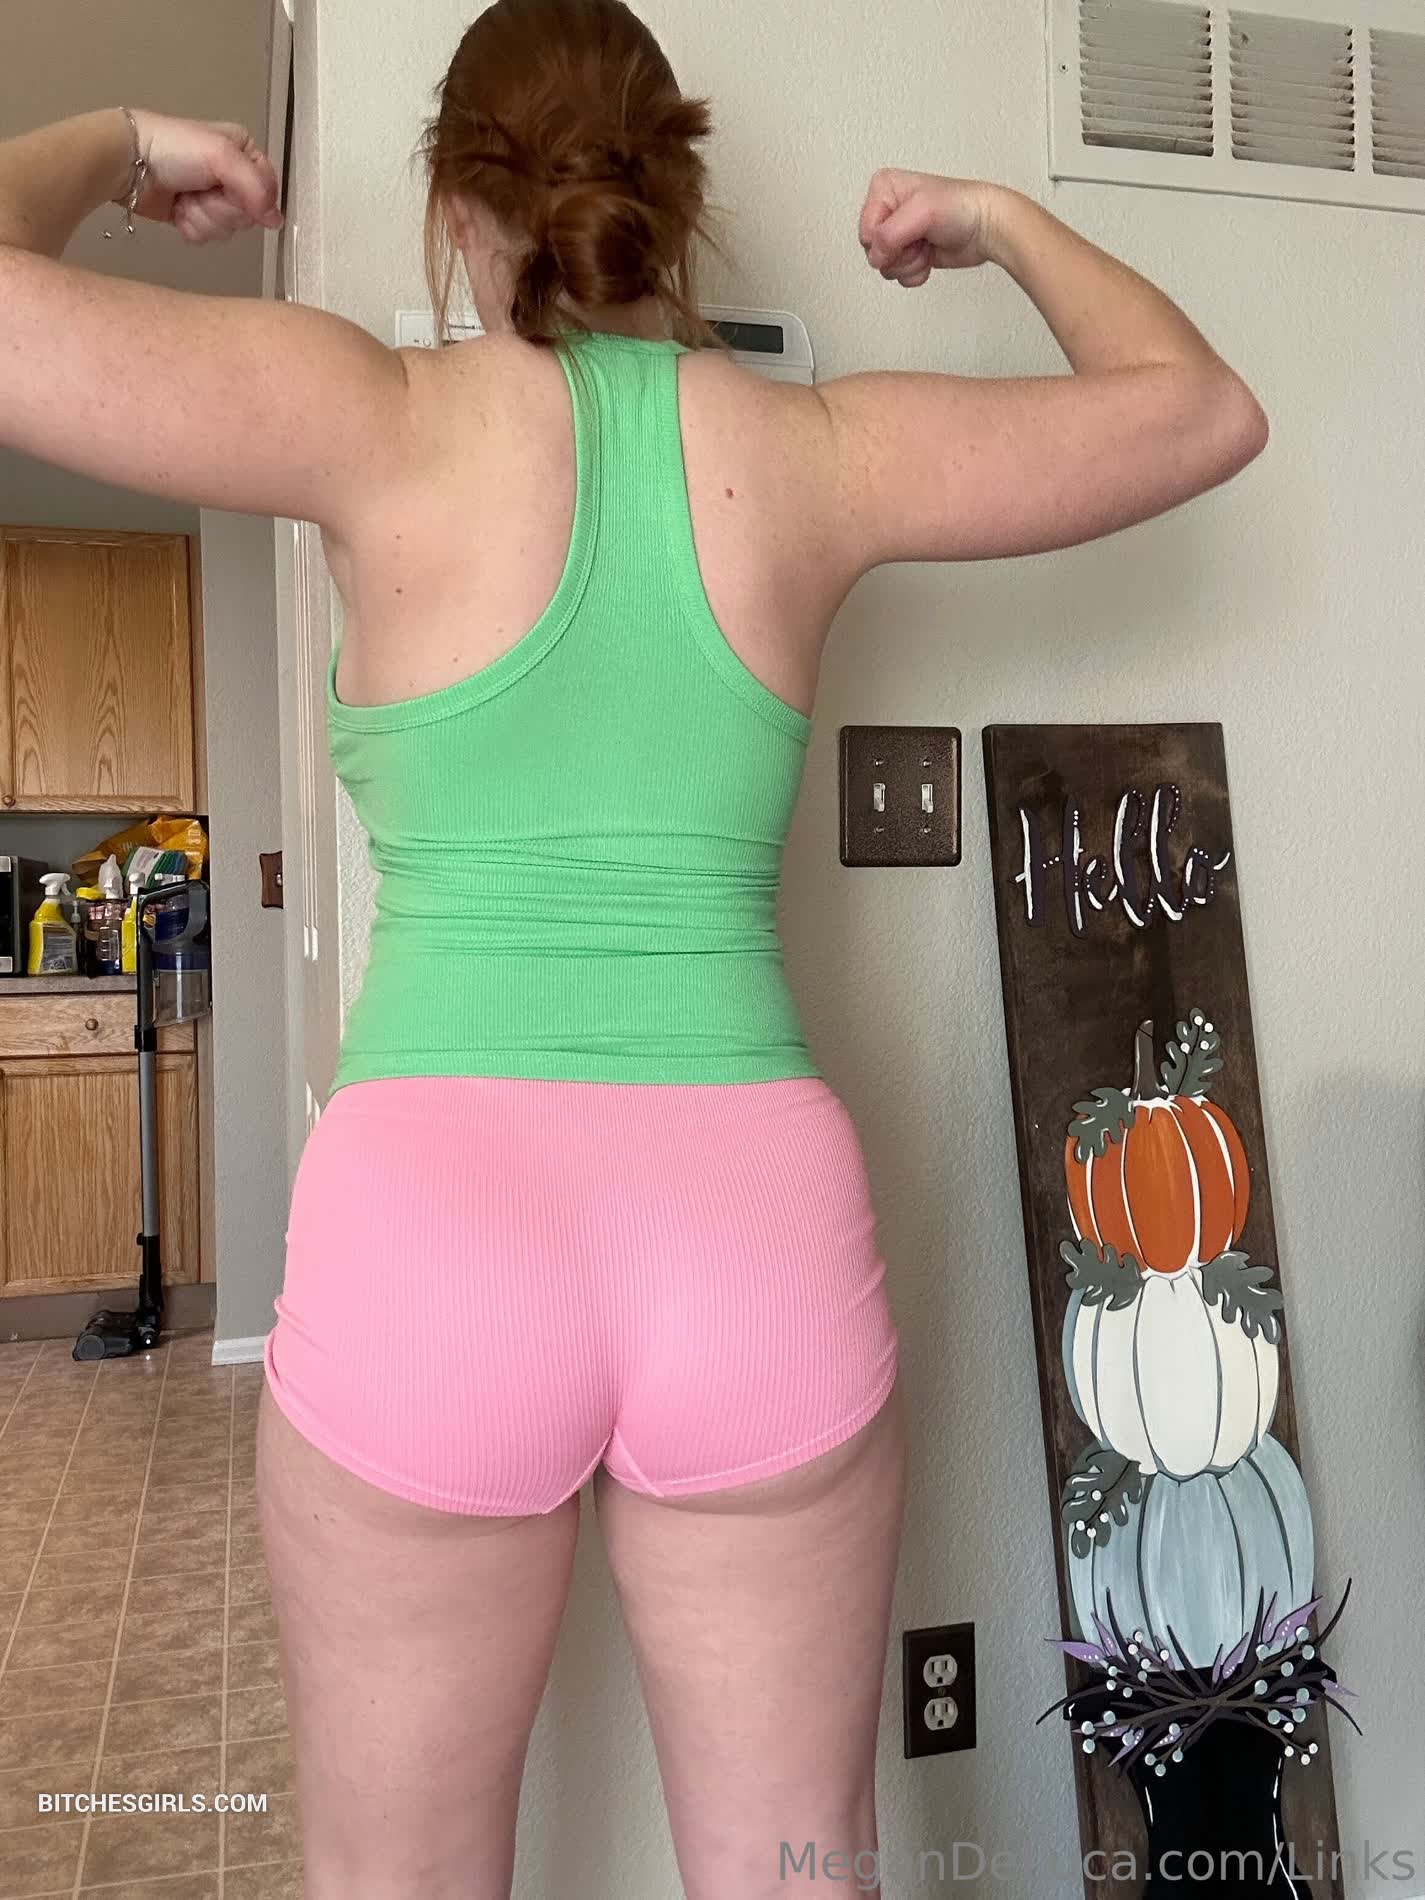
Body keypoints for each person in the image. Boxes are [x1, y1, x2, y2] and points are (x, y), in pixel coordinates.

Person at [0, 2, 1267, 1893]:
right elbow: (1198, 408)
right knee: (796, 1866)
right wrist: (998, 219)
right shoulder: (815, 449)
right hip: (747, 1228)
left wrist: (119, 143)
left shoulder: (363, 410)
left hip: (436, 1230)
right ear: (676, 195)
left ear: (455, 206)